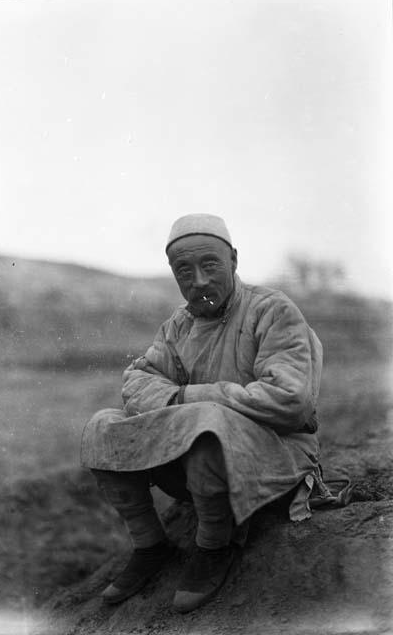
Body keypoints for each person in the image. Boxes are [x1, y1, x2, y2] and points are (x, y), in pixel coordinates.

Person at [81, 213, 323, 613]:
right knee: (102, 426)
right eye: (184, 270)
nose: (199, 280)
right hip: (202, 455)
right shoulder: (178, 325)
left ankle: (214, 545)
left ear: (234, 260)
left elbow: (290, 400)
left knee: (205, 421)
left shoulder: (273, 311)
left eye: (210, 265)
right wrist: (180, 403)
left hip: (277, 454)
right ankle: (150, 545)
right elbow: (138, 381)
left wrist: (192, 398)